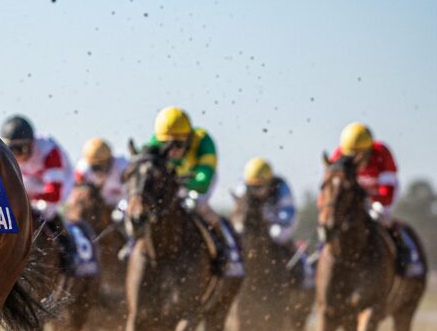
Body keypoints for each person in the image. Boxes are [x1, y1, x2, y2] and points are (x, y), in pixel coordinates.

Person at [149, 106, 242, 276]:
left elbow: (204, 180)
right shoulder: (153, 143)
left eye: (178, 144)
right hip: (172, 183)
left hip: (197, 181)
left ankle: (226, 249)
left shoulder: (204, 142)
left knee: (197, 205)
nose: (172, 150)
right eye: (166, 144)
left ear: (189, 137)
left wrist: (181, 183)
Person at [329, 122, 424, 276]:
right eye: (351, 156)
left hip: (380, 195)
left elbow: (387, 191)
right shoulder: (338, 155)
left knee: (380, 215)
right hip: (356, 197)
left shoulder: (382, 153)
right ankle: (321, 252)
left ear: (369, 151)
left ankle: (406, 254)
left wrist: (368, 199)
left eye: (359, 157)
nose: (355, 161)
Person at [0, 115, 71, 220]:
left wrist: (31, 197)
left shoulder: (49, 151)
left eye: (20, 149)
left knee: (45, 210)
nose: (16, 156)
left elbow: (55, 194)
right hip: (33, 179)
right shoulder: (5, 154)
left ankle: (65, 234)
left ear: (32, 143)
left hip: (62, 181)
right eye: (10, 149)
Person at [235, 157, 296, 244]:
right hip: (256, 225)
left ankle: (297, 255)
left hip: (278, 223)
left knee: (277, 233)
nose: (255, 191)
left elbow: (287, 217)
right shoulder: (243, 190)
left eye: (259, 187)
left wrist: (268, 223)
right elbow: (237, 216)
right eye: (252, 187)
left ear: (269, 183)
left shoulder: (282, 189)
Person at [74, 137, 128, 209]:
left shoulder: (122, 166)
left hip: (123, 201)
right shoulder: (83, 170)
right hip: (100, 204)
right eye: (95, 167)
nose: (98, 171)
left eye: (101, 166)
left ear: (109, 160)